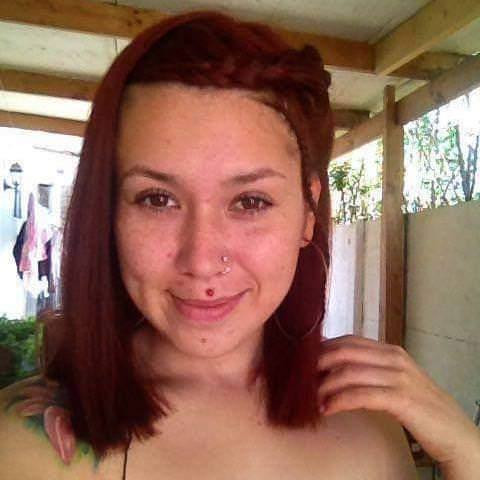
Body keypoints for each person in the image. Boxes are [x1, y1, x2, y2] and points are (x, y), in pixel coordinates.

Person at [1, 10, 479, 480]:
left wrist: (466, 453)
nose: (202, 260)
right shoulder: (23, 449)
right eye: (157, 199)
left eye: (250, 201)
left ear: (307, 214)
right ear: (108, 211)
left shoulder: (371, 426)